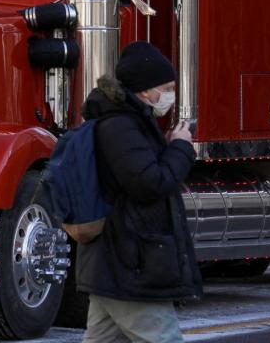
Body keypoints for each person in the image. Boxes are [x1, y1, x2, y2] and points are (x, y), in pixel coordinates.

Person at [78, 41, 202, 342]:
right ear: (146, 90)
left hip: (117, 260)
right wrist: (181, 148)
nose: (171, 95)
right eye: (167, 87)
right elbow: (150, 183)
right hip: (132, 261)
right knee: (164, 338)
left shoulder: (127, 122)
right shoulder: (120, 126)